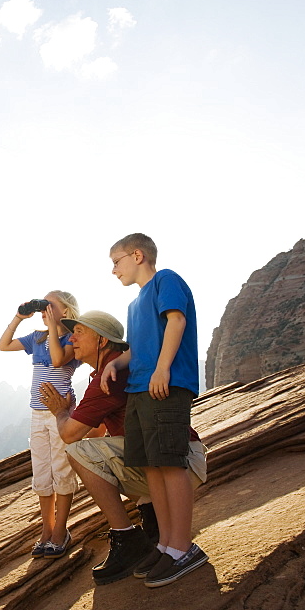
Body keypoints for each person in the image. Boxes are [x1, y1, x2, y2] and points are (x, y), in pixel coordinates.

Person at [43, 310, 207, 585]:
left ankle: (127, 537)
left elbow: (70, 436)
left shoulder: (110, 376)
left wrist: (61, 413)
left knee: (77, 453)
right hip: (179, 456)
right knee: (97, 451)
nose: (72, 339)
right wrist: (73, 413)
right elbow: (96, 432)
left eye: (80, 332)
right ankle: (154, 521)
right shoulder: (112, 370)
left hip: (177, 462)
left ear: (103, 341)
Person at [100, 233, 208, 588]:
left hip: (166, 385)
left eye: (116, 261)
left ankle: (183, 547)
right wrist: (116, 364)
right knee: (151, 467)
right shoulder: (134, 305)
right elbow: (138, 347)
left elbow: (176, 321)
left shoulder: (166, 280)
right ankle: (165, 543)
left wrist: (163, 369)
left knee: (169, 463)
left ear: (137, 254)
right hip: (139, 391)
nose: (113, 270)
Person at [0, 291, 82, 559]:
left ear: (65, 312)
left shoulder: (73, 339)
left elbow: (58, 360)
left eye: (50, 305)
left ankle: (60, 530)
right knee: (42, 472)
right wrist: (19, 318)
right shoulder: (37, 338)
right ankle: (46, 531)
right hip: (37, 413)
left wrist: (55, 328)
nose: (44, 309)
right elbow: (3, 345)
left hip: (60, 414)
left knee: (61, 470)